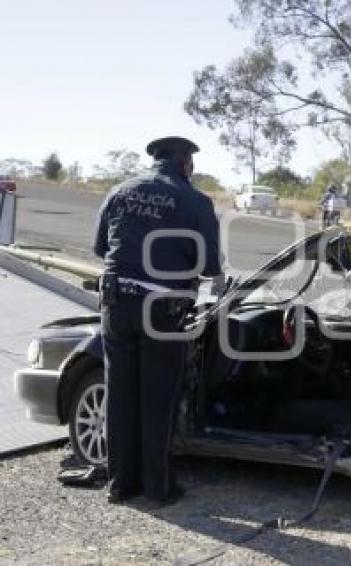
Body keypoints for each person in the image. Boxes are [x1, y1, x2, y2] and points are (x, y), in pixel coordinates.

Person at [92, 136, 222, 504]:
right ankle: (157, 489)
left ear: (155, 161)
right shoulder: (195, 201)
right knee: (158, 397)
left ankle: (120, 485)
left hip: (116, 304)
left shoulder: (120, 192)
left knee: (120, 394)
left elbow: (100, 248)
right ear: (186, 164)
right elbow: (210, 265)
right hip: (162, 309)